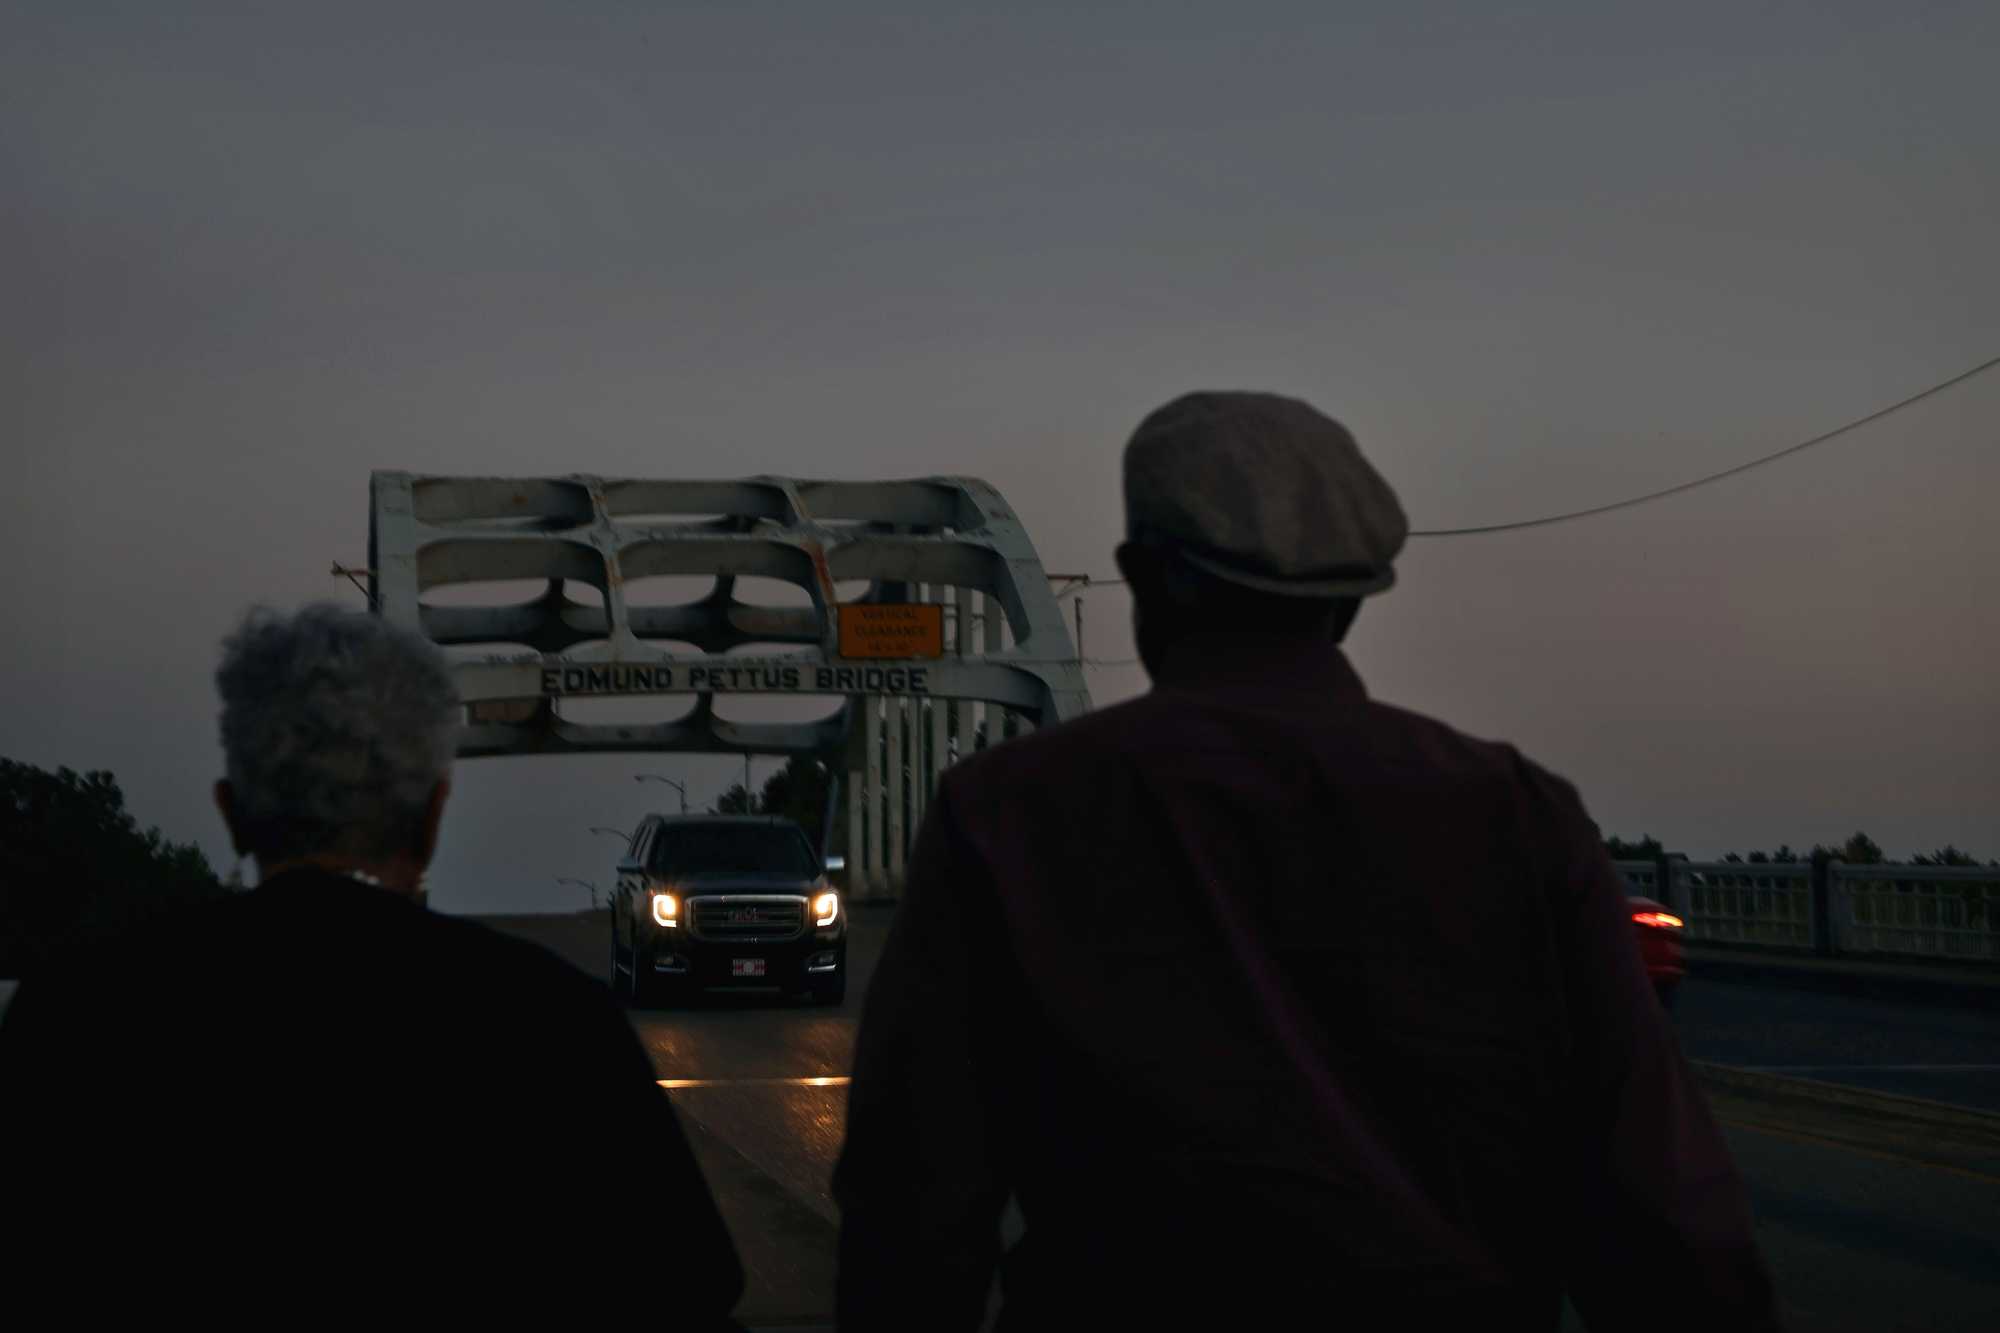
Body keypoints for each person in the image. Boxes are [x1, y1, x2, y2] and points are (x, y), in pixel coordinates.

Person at [832, 392, 1779, 1329]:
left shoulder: (1009, 811)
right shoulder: (1519, 814)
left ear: (1143, 579)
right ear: (1350, 601)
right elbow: (1664, 1210)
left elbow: (913, 1197)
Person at [0, 604, 743, 1324]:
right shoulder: (555, 1022)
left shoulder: (71, 1010)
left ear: (233, 812)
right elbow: (688, 1290)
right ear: (432, 815)